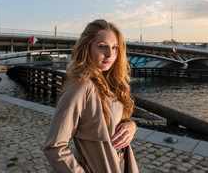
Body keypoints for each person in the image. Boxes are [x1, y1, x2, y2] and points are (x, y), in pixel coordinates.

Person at [44, 19, 138, 172]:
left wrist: (132, 126)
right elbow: (54, 147)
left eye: (115, 48)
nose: (110, 54)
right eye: (102, 47)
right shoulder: (80, 86)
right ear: (87, 48)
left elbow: (114, 122)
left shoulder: (111, 82)